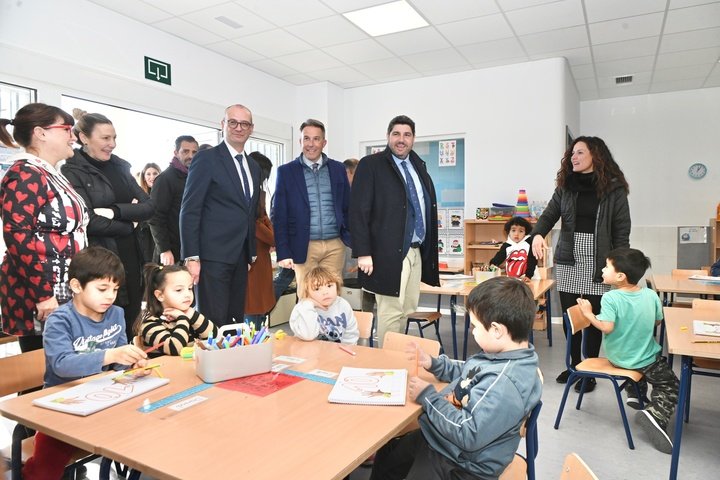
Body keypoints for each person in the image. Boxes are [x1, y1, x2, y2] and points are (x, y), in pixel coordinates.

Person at [370, 276, 542, 480]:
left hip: (462, 464)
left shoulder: (505, 383)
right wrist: (434, 364)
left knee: (402, 461)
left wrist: (428, 397)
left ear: (497, 330)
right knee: (389, 453)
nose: (472, 331)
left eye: (475, 326)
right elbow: (470, 372)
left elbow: (468, 433)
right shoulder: (501, 356)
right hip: (445, 441)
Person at [23, 246, 150, 479]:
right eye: (102, 289)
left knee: (143, 437)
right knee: (44, 467)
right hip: (61, 406)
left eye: (115, 289)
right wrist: (111, 356)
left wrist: (131, 365)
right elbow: (61, 364)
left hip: (104, 399)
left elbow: (118, 364)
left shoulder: (116, 313)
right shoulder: (60, 320)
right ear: (76, 286)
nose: (110, 296)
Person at [531, 135, 630, 393]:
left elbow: (621, 230)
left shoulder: (614, 189)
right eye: (572, 153)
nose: (573, 157)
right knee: (571, 318)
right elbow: (549, 215)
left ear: (596, 156)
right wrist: (538, 234)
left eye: (580, 152)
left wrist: (620, 266)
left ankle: (591, 370)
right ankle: (574, 364)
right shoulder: (566, 186)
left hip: (601, 260)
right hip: (569, 259)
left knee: (593, 318)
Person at [0, 103, 88, 353]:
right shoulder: (26, 173)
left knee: (63, 372)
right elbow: (17, 236)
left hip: (59, 288)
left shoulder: (48, 173)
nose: (73, 137)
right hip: (42, 292)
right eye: (67, 129)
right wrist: (43, 294)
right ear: (41, 133)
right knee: (43, 376)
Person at [62, 111, 155, 342]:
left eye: (114, 137)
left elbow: (148, 207)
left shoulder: (121, 167)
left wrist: (114, 211)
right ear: (84, 138)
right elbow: (89, 220)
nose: (112, 144)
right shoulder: (71, 170)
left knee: (132, 320)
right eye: (105, 138)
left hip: (132, 257)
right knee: (104, 328)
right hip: (100, 259)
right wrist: (129, 224)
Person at [576, 248, 678, 454]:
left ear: (620, 276)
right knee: (671, 384)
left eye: (606, 266)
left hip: (619, 357)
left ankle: (637, 395)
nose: (603, 270)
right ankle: (655, 413)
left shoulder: (611, 298)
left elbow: (607, 327)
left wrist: (588, 314)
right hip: (642, 358)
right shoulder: (650, 295)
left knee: (650, 363)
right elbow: (657, 321)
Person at [350, 115, 439, 346]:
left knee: (407, 308)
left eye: (407, 135)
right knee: (390, 309)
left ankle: (396, 358)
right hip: (386, 252)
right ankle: (385, 366)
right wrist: (363, 252)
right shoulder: (372, 165)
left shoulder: (418, 166)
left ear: (413, 139)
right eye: (396, 134)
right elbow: (358, 210)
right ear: (388, 136)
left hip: (416, 250)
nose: (401, 139)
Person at [180, 104, 261, 327]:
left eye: (244, 124)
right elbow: (190, 209)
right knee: (212, 321)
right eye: (232, 122)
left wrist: (250, 252)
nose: (238, 128)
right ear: (223, 124)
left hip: (240, 257)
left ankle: (232, 362)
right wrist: (192, 256)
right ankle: (213, 363)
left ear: (251, 129)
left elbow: (249, 213)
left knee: (235, 319)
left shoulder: (254, 167)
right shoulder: (207, 159)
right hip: (212, 256)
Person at [272, 119, 351, 295]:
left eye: (316, 139)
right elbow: (280, 215)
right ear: (300, 141)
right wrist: (283, 252)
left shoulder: (338, 169)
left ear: (324, 142)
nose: (311, 144)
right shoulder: (286, 172)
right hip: (303, 245)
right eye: (306, 138)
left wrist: (351, 237)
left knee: (331, 297)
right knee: (307, 297)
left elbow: (347, 207)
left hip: (335, 245)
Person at [136, 263, 218, 356]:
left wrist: (193, 316)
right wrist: (183, 319)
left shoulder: (190, 316)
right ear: (160, 295)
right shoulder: (150, 324)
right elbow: (175, 349)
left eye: (190, 288)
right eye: (179, 290)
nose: (187, 294)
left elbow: (216, 338)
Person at [148, 135, 198, 265]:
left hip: (190, 251)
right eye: (185, 151)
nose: (190, 156)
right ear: (176, 153)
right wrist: (164, 249)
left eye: (194, 152)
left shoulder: (195, 178)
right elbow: (155, 217)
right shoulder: (165, 179)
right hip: (171, 255)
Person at [244, 151, 275, 329]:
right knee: (252, 305)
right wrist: (271, 235)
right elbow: (258, 224)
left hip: (261, 256)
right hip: (252, 255)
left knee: (259, 306)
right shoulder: (248, 194)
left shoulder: (259, 193)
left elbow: (265, 220)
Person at [289, 266, 359, 345]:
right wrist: (309, 304)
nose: (325, 292)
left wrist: (347, 350)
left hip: (338, 353)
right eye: (317, 289)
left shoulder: (343, 305)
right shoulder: (302, 308)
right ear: (308, 293)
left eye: (329, 286)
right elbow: (308, 336)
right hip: (309, 352)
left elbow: (350, 335)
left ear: (337, 286)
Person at [489, 216, 537, 281]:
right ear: (509, 231)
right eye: (513, 230)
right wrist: (492, 264)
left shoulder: (529, 244)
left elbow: (532, 261)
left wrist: (528, 275)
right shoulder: (507, 245)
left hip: (529, 278)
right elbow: (499, 257)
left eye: (521, 231)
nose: (516, 234)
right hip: (512, 279)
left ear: (525, 233)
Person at [137, 162, 162, 264]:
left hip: (160, 237)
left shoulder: (165, 195)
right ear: (144, 177)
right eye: (148, 174)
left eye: (155, 173)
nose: (152, 177)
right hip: (144, 239)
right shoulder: (138, 196)